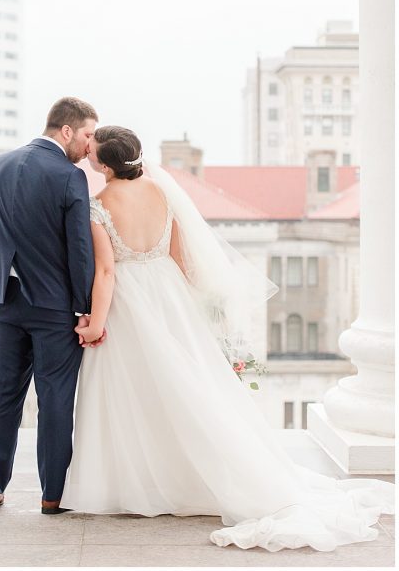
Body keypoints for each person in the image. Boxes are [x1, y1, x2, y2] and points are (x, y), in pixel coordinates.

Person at [63, 125, 394, 551]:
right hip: (168, 294)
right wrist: (188, 313)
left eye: (92, 152)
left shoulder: (99, 205)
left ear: (104, 164)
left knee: (136, 389)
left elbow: (106, 272)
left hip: (130, 299)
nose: (87, 155)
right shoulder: (162, 193)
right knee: (189, 386)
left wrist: (94, 323)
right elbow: (180, 259)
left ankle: (145, 483)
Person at [0, 97, 98, 514]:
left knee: (1, 391)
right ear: (67, 131)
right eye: (89, 135)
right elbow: (79, 248)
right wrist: (84, 305)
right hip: (55, 306)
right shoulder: (69, 176)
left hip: (3, 301)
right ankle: (51, 495)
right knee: (55, 397)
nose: (91, 146)